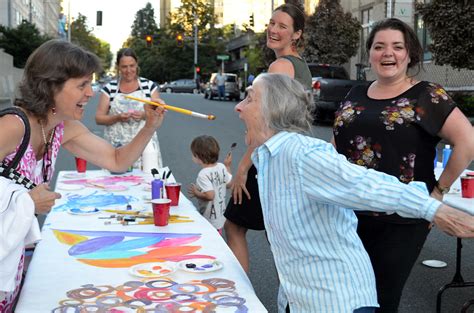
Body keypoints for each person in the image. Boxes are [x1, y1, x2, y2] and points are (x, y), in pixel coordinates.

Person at [236, 72, 474, 313]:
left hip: (337, 303)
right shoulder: (268, 157)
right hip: (301, 299)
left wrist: (434, 209)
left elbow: (366, 184)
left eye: (249, 99)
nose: (239, 107)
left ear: (272, 108)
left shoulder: (302, 155)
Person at [0, 40, 165, 311]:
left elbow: (116, 160)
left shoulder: (62, 128)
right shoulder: (14, 125)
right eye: (81, 85)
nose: (90, 93)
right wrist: (26, 201)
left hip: (10, 255)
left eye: (90, 83)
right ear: (51, 85)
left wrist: (149, 126)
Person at [332, 18, 474, 313]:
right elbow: (337, 146)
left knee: (381, 298)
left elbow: (467, 142)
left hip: (401, 216)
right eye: (379, 46)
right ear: (369, 53)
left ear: (409, 54)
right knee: (345, 295)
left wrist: (438, 194)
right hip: (346, 213)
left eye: (397, 47)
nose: (388, 53)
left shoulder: (425, 94)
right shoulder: (355, 94)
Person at [224, 0, 312, 273]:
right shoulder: (298, 65)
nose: (273, 29)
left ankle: (241, 295)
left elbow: (269, 125)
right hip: (287, 156)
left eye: (282, 26)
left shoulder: (280, 68)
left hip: (270, 158)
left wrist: (242, 168)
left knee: (234, 226)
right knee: (278, 236)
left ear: (296, 34)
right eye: (272, 23)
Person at [95, 48, 163, 169]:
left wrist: (143, 115)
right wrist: (117, 117)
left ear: (137, 64)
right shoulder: (109, 88)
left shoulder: (149, 86)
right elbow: (99, 118)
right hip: (116, 148)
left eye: (132, 66)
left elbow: (158, 114)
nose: (128, 70)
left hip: (145, 148)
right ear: (118, 67)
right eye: (124, 67)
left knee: (146, 181)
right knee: (116, 184)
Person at [188, 135, 232, 234]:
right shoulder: (221, 166)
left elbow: (210, 195)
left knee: (211, 241)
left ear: (198, 156)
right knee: (217, 237)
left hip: (209, 218)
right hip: (220, 215)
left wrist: (196, 193)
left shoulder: (203, 174)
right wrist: (228, 166)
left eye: (193, 154)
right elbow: (229, 184)